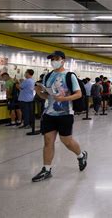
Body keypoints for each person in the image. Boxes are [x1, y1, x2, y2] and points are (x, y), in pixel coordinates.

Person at [32, 51, 87, 182]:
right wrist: (39, 92)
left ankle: (81, 155)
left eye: (56, 58)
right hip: (49, 113)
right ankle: (46, 169)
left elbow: (78, 94)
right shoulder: (47, 76)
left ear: (63, 60)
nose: (53, 61)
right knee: (48, 141)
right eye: (52, 59)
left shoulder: (69, 75)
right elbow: (47, 96)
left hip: (65, 114)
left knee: (66, 141)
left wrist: (64, 98)